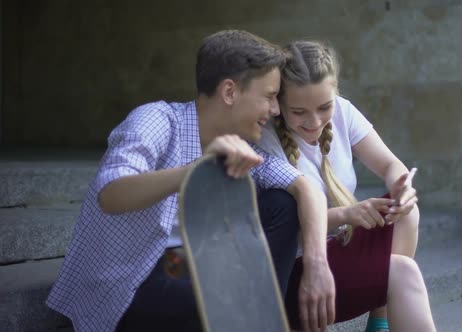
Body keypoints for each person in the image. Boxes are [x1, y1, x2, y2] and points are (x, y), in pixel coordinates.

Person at [46, 30, 336, 332]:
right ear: (229, 92)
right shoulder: (156, 120)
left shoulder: (243, 147)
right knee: (223, 299)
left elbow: (306, 188)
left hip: (187, 269)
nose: (276, 110)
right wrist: (198, 169)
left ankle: (262, 317)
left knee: (282, 204)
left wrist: (317, 264)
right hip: (128, 284)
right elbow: (110, 194)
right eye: (269, 96)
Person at [257, 40, 436, 332]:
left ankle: (379, 320)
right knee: (403, 272)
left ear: (335, 93)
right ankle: (381, 321)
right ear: (278, 103)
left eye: (324, 107)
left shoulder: (343, 111)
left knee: (407, 211)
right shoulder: (265, 138)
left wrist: (401, 187)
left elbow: (391, 165)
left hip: (338, 248)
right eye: (299, 111)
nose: (314, 121)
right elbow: (282, 225)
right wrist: (347, 215)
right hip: (299, 271)